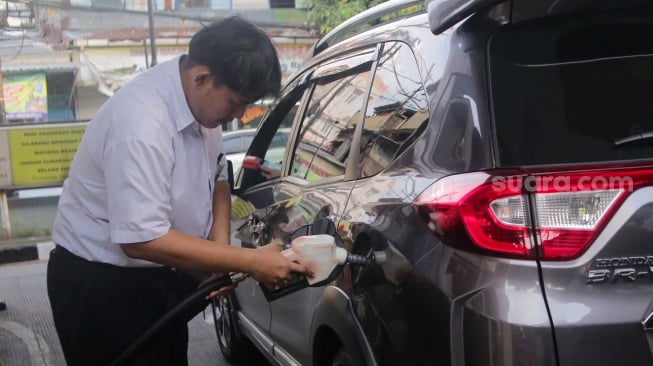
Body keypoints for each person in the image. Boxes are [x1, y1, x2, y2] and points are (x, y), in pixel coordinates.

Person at [46, 16, 310, 366]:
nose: (239, 114)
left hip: (159, 274)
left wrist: (218, 251)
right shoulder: (141, 121)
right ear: (201, 77)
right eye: (235, 102)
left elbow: (219, 177)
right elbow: (140, 239)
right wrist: (251, 261)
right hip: (102, 286)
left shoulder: (202, 108)